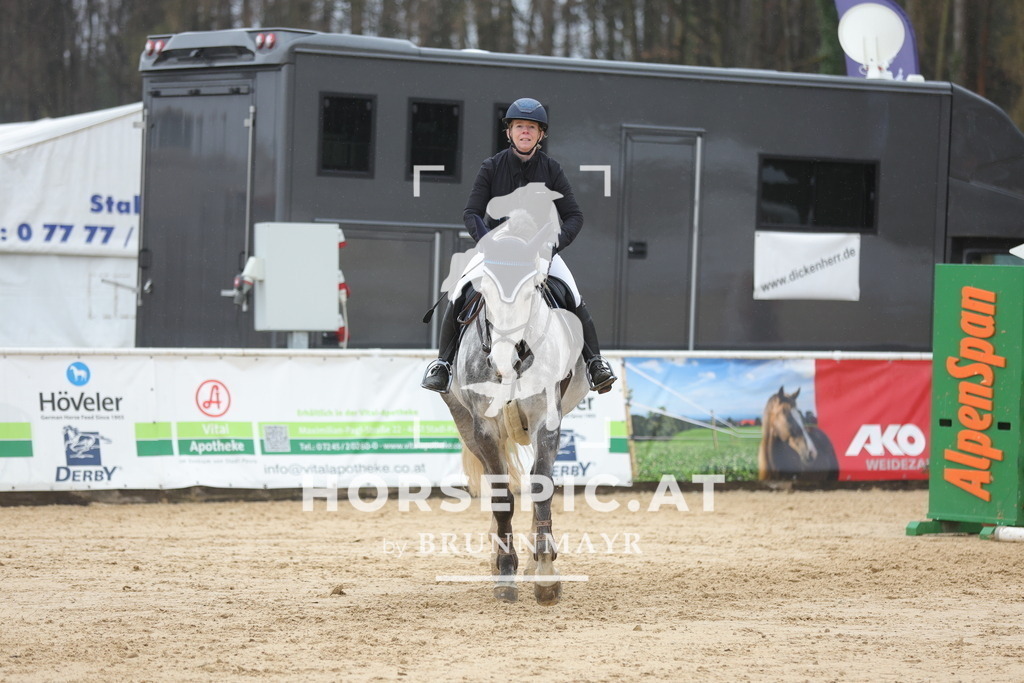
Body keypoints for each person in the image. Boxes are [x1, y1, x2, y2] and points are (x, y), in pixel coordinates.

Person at [421, 97, 617, 394]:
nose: (525, 132)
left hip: (537, 249)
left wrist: (553, 245)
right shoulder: (491, 167)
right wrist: (486, 242)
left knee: (573, 295)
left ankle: (594, 364)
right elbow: (471, 212)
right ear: (509, 132)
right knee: (459, 291)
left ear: (541, 135)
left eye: (532, 128)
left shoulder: (552, 170)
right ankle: (443, 365)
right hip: (498, 248)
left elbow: (574, 216)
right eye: (519, 127)